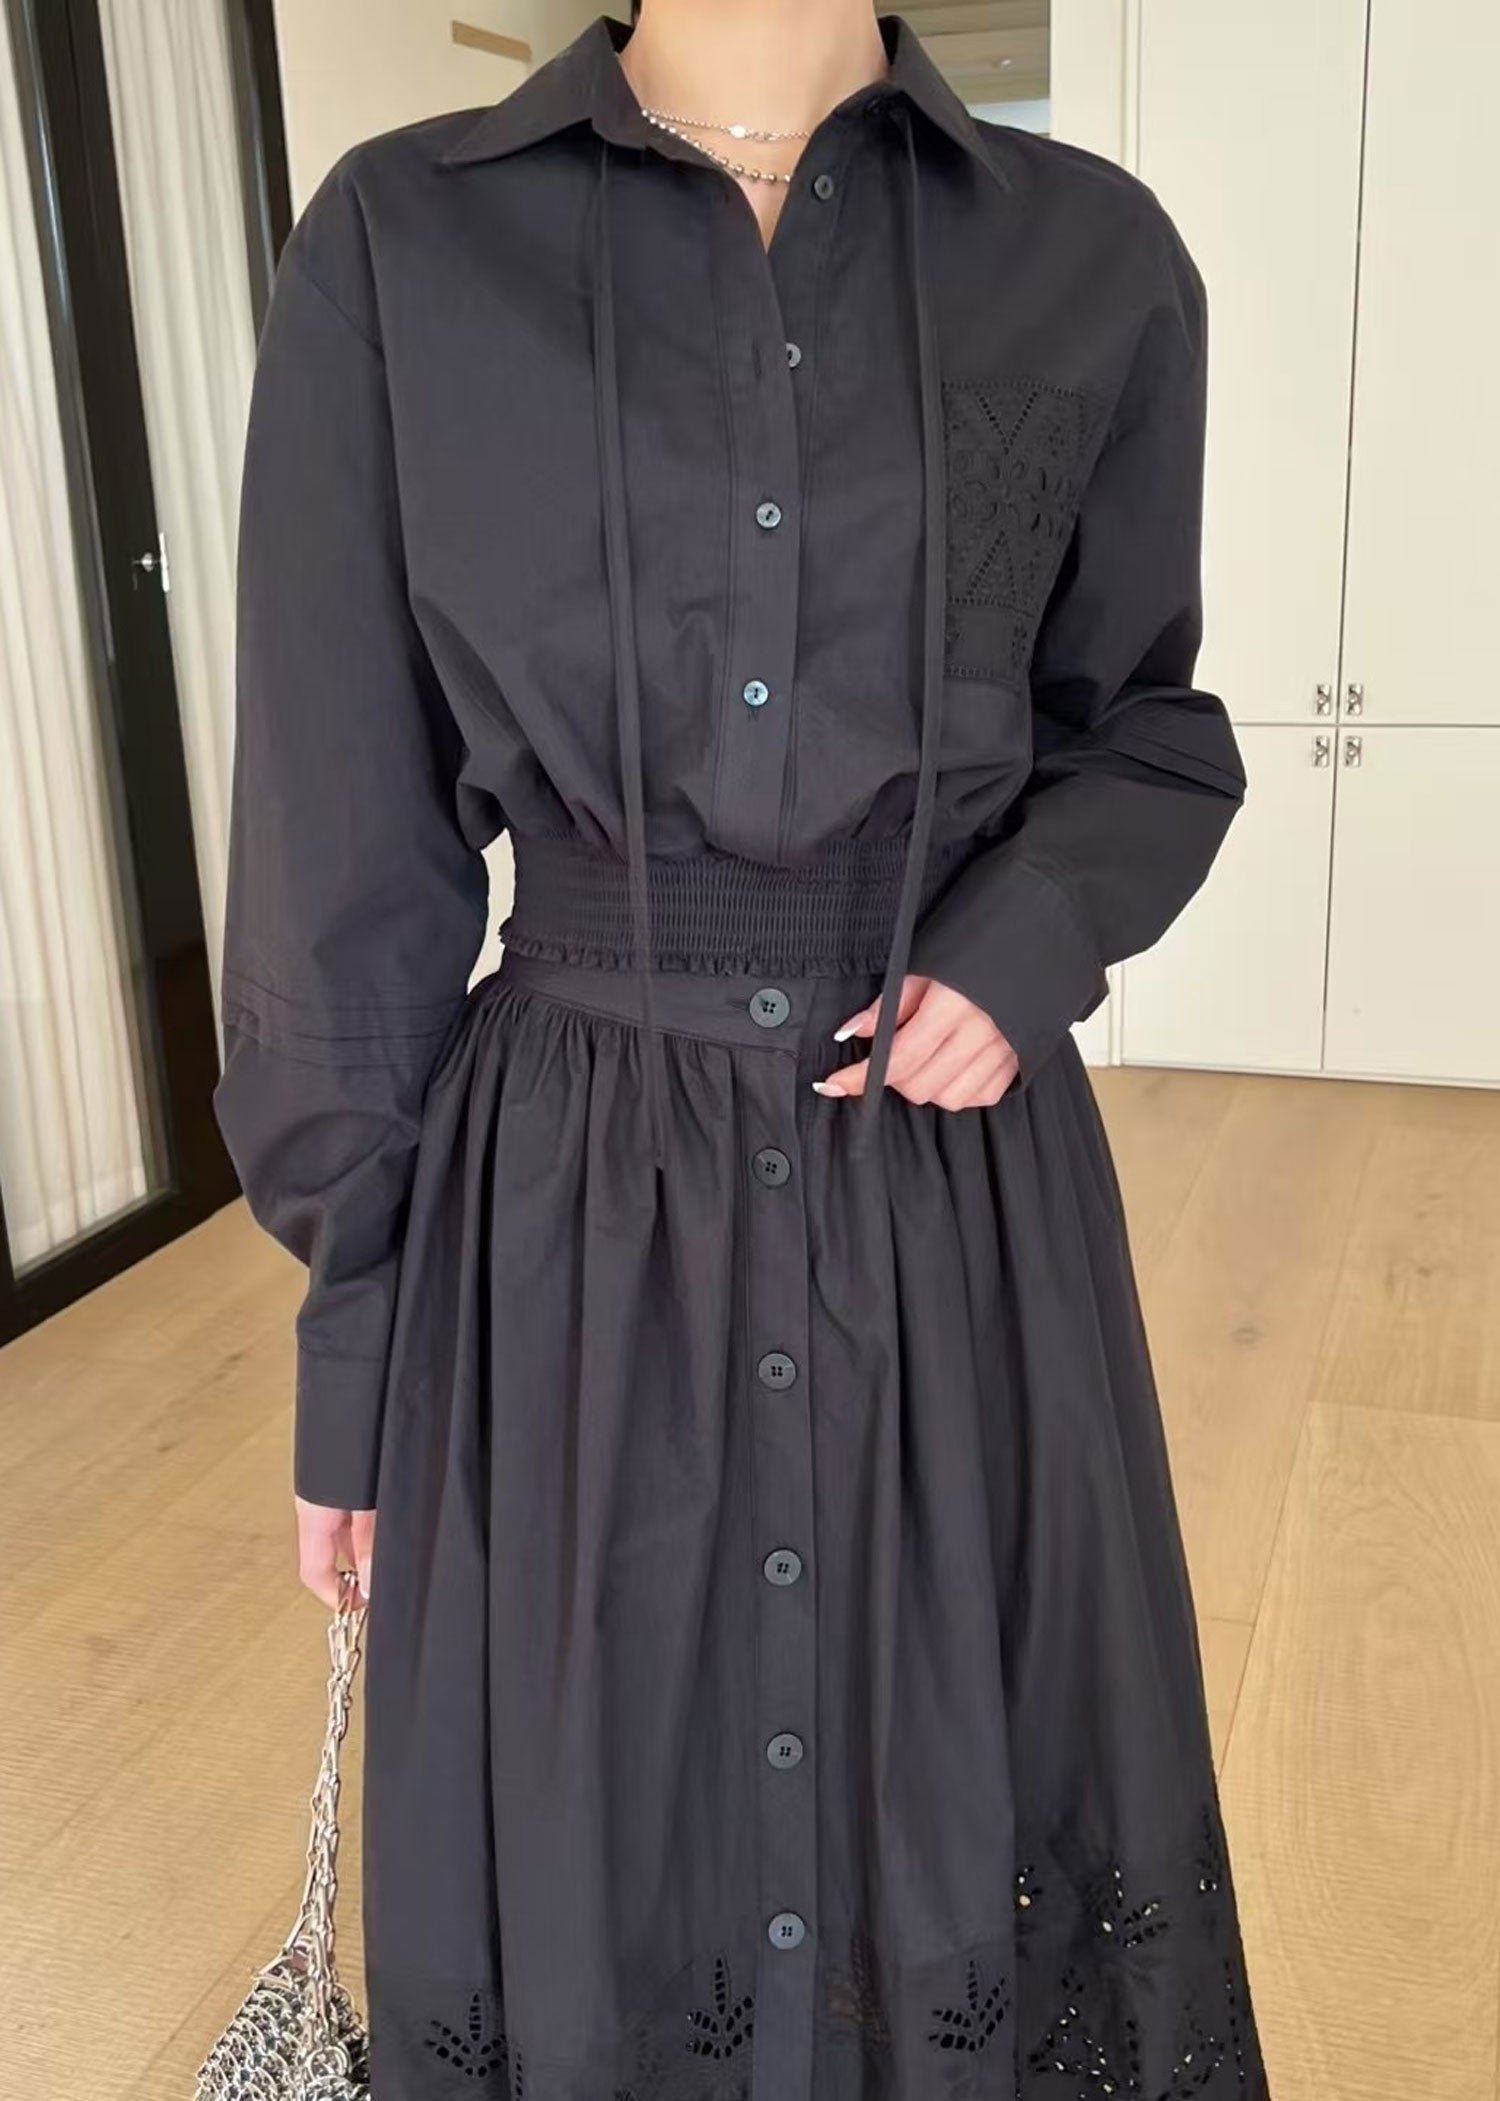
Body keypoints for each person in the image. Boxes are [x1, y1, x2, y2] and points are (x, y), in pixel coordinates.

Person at [212, 2, 1271, 2094]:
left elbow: (1147, 728)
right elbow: (342, 841)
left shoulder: (1093, 254)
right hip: (568, 1216)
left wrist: (1028, 938)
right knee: (605, 1804)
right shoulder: (401, 246)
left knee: (954, 1768)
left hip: (952, 1181)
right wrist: (358, 1341)